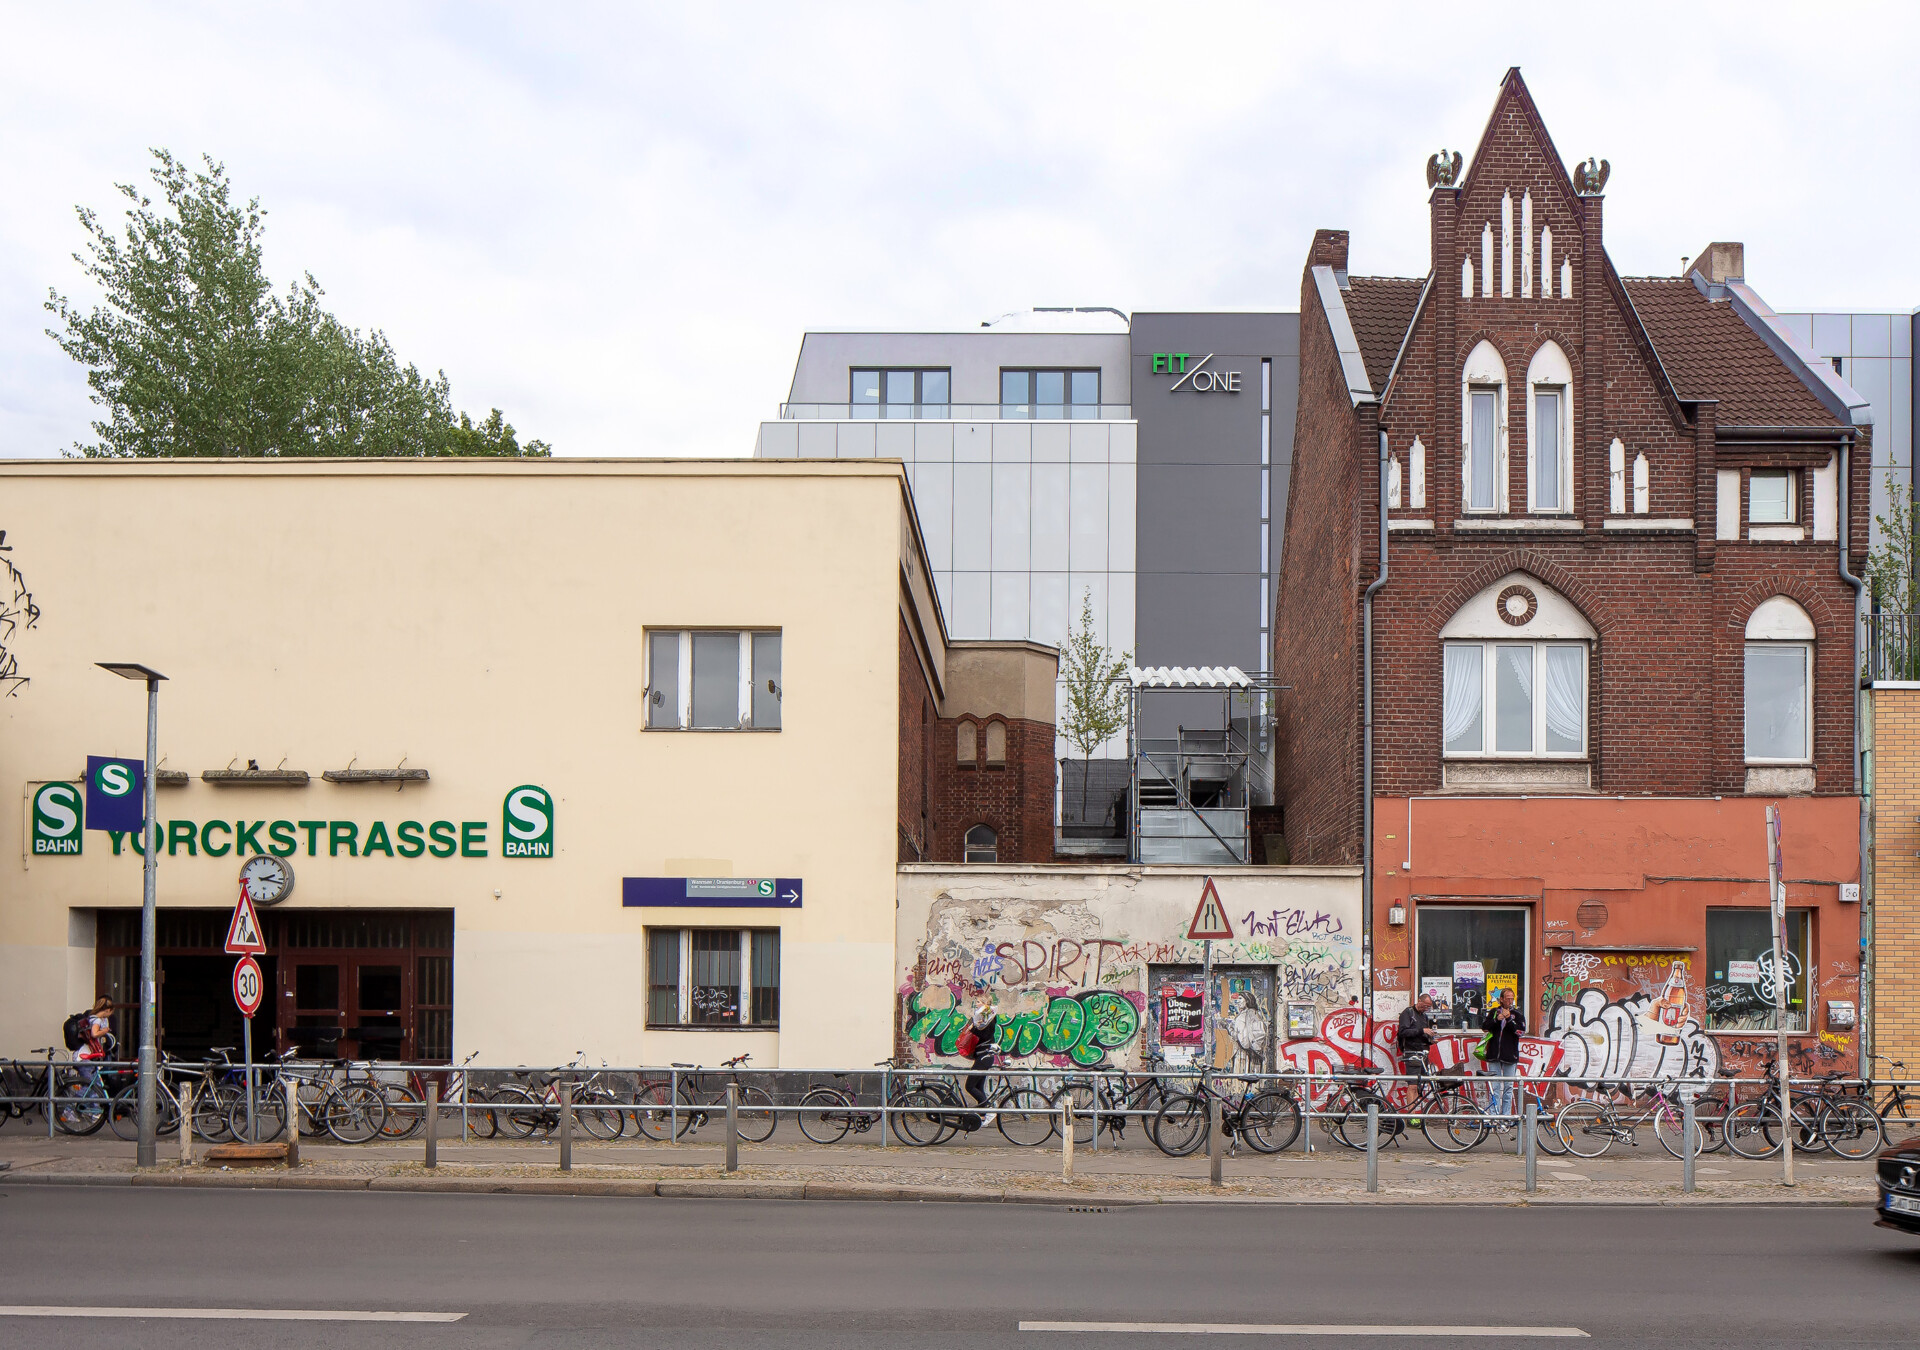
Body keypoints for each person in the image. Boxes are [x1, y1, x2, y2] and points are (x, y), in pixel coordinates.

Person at [1483, 986, 1526, 1123]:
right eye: (1507, 998)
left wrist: (1509, 1020)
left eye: (1512, 998)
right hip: (1494, 1055)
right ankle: (1494, 1116)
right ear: (1501, 999)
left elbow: (1520, 1032)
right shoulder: (1494, 1012)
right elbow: (1484, 1026)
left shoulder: (1517, 1015)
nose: (1510, 1001)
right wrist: (1496, 1020)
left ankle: (1506, 1116)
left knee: (1508, 1087)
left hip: (1510, 1056)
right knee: (1494, 1087)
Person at [962, 992, 999, 1125]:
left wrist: (973, 1029)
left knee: (970, 1086)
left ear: (985, 1004)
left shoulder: (988, 1019)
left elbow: (984, 1035)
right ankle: (983, 1116)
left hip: (984, 1056)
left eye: (978, 1002)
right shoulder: (984, 1019)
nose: (976, 1004)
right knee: (978, 1086)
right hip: (982, 1056)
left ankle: (988, 1110)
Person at [1397, 993, 1437, 1073]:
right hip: (1412, 1053)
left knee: (1424, 1081)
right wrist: (1422, 1030)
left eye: (1428, 1007)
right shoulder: (1408, 1013)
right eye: (1425, 1006)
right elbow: (1403, 1032)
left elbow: (1421, 1034)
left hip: (1423, 1053)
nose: (1426, 1009)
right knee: (1413, 1083)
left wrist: (1430, 1041)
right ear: (1419, 1001)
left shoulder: (1424, 1016)